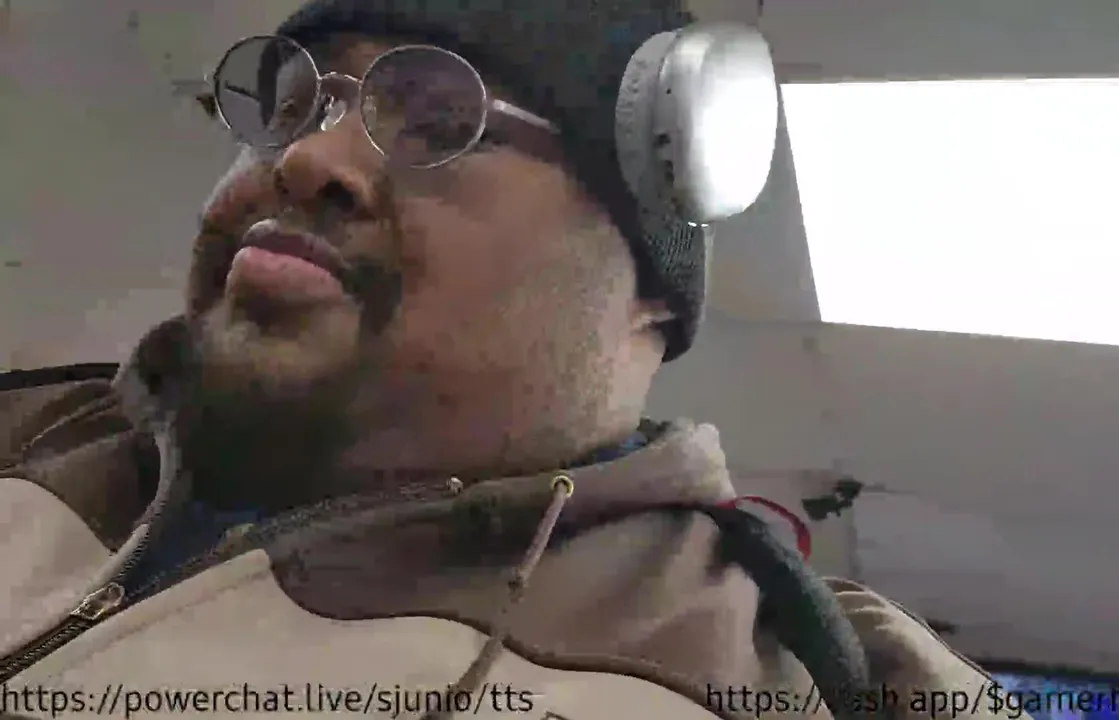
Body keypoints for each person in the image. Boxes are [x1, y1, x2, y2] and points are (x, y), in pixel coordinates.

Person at [0, 1, 1006, 718]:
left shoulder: (818, 675)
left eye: (442, 122)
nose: (305, 158)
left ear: (647, 287)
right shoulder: (29, 437)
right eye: (298, 109)